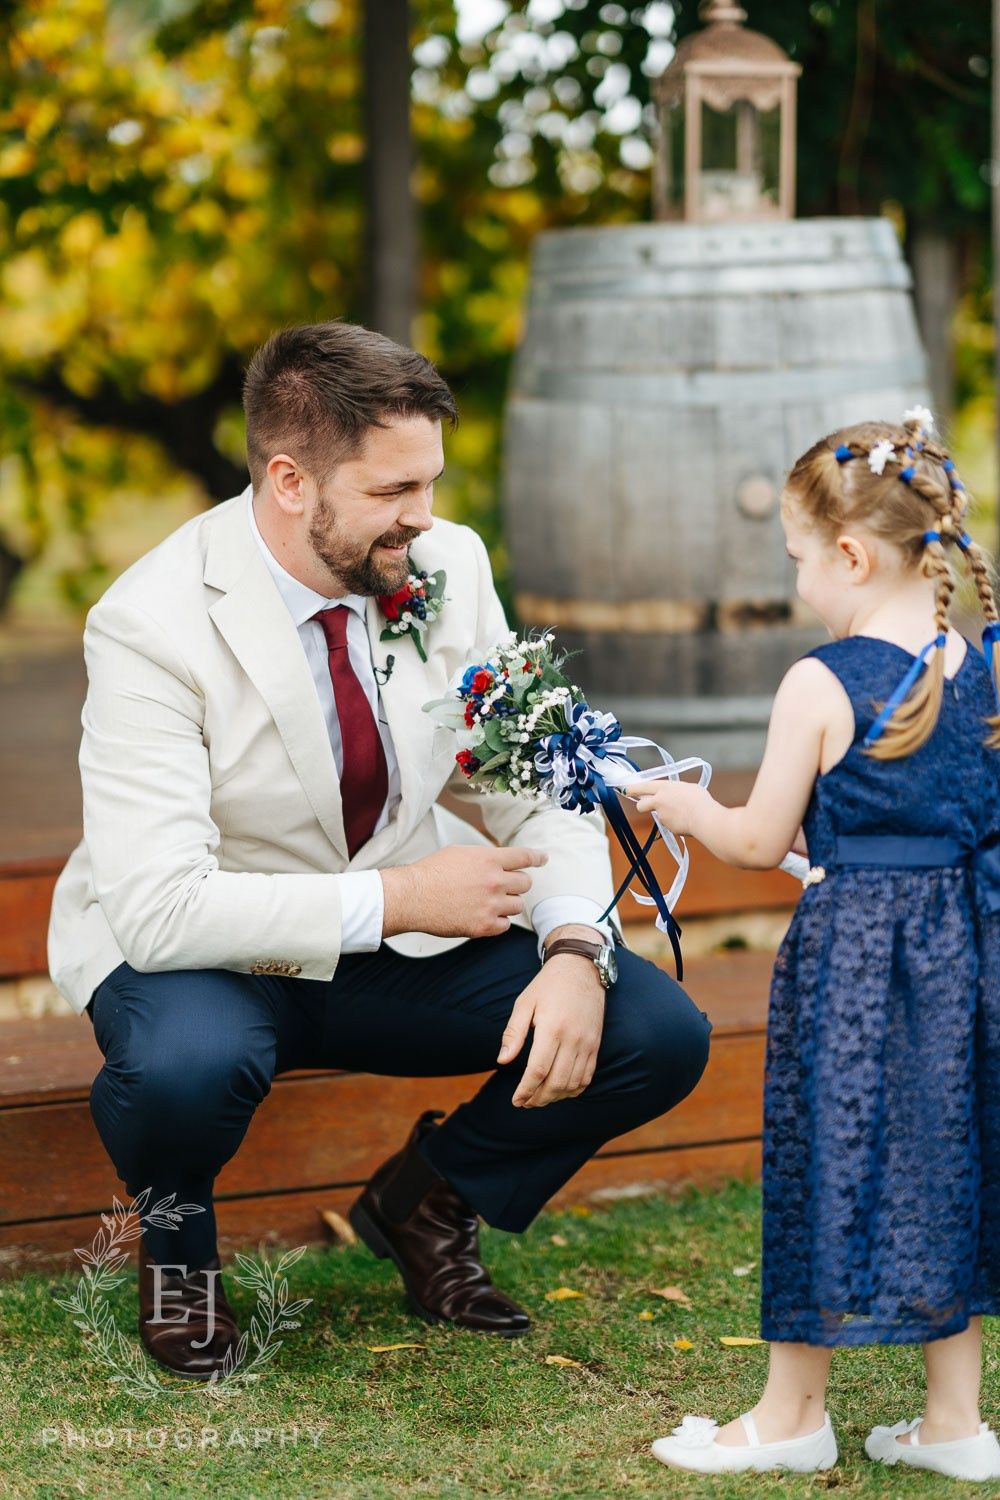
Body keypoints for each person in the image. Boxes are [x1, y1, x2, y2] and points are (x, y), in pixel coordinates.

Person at [47, 320, 711, 1379]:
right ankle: (178, 1254)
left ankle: (428, 1198)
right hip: (211, 952)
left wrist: (575, 950)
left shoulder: (445, 563)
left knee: (653, 1029)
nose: (425, 517)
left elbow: (532, 779)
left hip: (405, 936)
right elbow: (163, 909)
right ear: (288, 479)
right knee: (183, 1069)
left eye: (430, 482)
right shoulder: (150, 623)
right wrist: (400, 896)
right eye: (393, 492)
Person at [627, 413, 1000, 1481]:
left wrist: (685, 810)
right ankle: (954, 1421)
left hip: (853, 968)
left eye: (796, 558)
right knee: (945, 1160)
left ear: (847, 555)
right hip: (957, 959)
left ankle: (793, 1413)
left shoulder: (819, 681)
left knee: (819, 1159)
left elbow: (753, 837)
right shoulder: (970, 662)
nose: (795, 582)